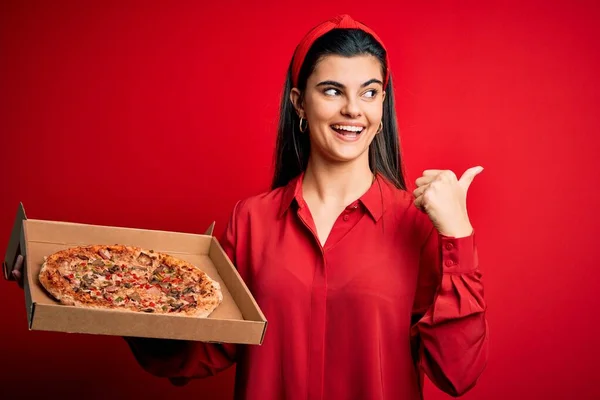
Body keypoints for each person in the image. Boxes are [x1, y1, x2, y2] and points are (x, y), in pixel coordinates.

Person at [9, 14, 488, 400]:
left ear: (383, 107)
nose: (353, 110)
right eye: (332, 91)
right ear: (300, 103)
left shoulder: (420, 226)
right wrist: (114, 305)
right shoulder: (251, 220)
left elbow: (456, 373)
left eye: (369, 92)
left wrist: (459, 236)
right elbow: (203, 350)